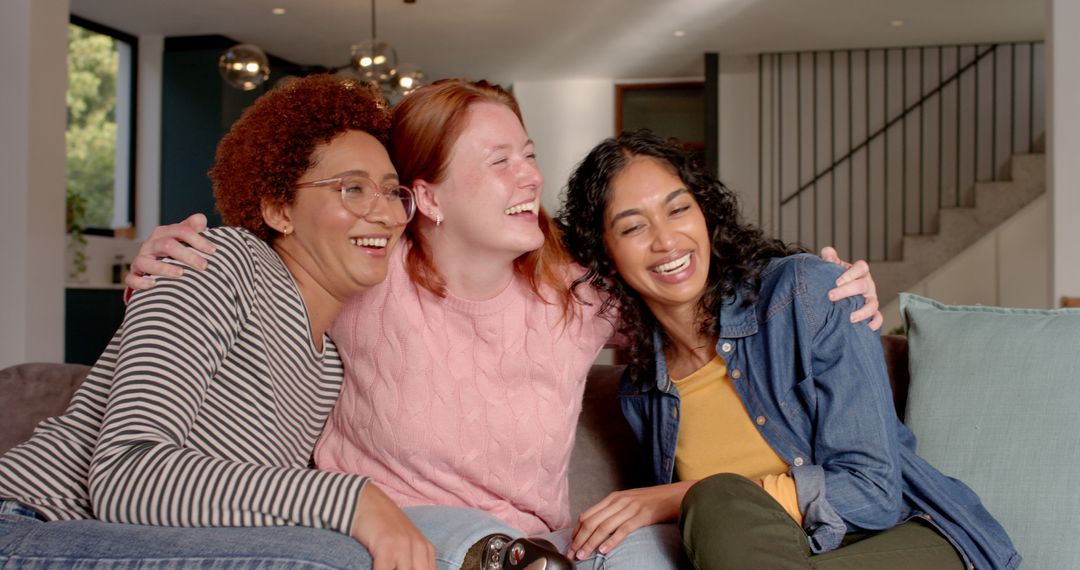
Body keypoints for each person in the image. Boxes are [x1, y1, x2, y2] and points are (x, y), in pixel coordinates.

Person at [125, 79, 883, 569]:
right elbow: (270, 268)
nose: (530, 178)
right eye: (499, 163)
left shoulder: (578, 293)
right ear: (428, 199)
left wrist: (832, 296)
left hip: (547, 544)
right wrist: (164, 262)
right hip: (393, 534)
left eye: (528, 155)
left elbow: (697, 302)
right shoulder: (368, 270)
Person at [0, 74, 437, 569]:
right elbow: (125, 476)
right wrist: (352, 500)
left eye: (390, 192)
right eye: (353, 189)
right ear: (278, 209)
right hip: (26, 522)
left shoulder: (331, 366)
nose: (385, 215)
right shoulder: (217, 260)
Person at [556, 130, 1020, 569]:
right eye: (634, 227)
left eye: (678, 210)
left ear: (706, 215)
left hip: (904, 536)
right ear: (604, 254)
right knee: (717, 510)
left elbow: (874, 491)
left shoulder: (806, 294)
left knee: (712, 499)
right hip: (774, 555)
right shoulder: (644, 389)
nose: (666, 240)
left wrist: (675, 496)